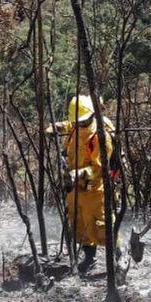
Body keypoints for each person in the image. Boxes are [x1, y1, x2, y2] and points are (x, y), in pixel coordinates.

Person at [47, 95, 114, 273]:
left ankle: (118, 258)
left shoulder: (100, 136)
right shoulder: (75, 128)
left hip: (94, 189)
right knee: (79, 224)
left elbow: (99, 169)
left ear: (92, 115)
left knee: (101, 225)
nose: (80, 124)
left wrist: (78, 174)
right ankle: (89, 258)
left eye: (83, 121)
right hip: (74, 188)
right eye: (77, 122)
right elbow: (68, 125)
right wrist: (56, 127)